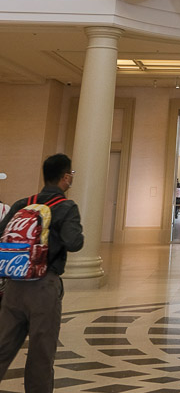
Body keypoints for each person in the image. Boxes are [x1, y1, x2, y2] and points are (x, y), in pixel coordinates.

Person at [0, 153, 85, 393]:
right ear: (66, 177)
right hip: (44, 287)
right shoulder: (66, 206)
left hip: (14, 285)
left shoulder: (22, 203)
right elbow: (74, 242)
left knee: (3, 347)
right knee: (40, 354)